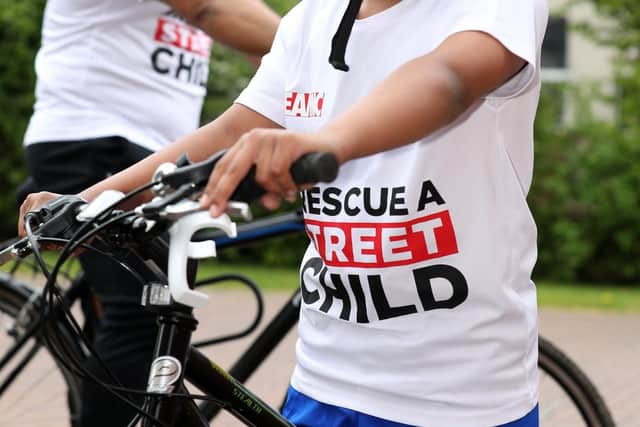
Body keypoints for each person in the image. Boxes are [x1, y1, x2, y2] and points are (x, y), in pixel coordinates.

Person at [21, 0, 550, 426]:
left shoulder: (492, 6)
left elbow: (449, 78)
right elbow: (229, 132)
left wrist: (325, 144)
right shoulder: (311, 19)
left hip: (458, 399)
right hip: (323, 381)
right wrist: (94, 202)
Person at [18, 0, 279, 426]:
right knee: (140, 319)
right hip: (93, 140)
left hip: (161, 158)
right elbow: (211, 9)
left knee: (158, 322)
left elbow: (260, 45)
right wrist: (322, 42)